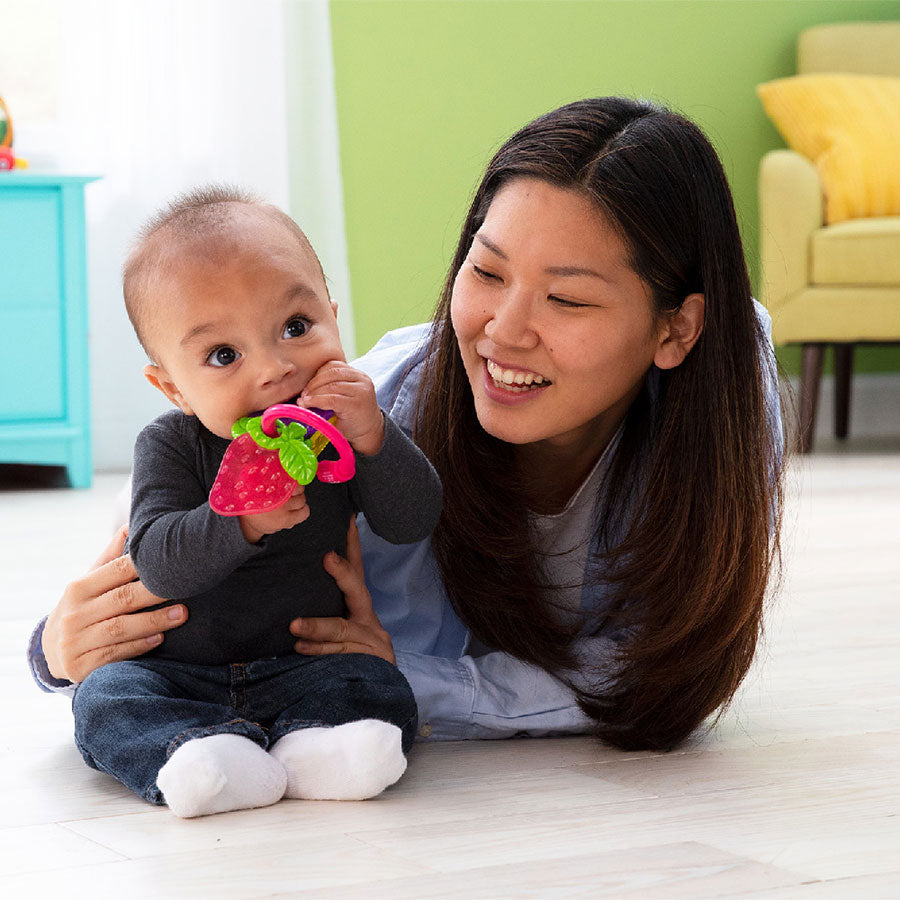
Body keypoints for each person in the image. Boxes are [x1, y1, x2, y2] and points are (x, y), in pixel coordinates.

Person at [31, 96, 784, 756]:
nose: (502, 331)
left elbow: (654, 671)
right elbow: (161, 566)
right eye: (486, 273)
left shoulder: (725, 396)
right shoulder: (378, 408)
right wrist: (54, 649)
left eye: (568, 300)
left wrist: (410, 680)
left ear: (677, 331)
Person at [59, 187, 442, 817]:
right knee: (105, 700)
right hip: (176, 673)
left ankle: (323, 747)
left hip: (303, 663)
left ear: (335, 318)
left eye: (296, 327)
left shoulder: (341, 430)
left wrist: (376, 438)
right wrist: (237, 518)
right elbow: (156, 560)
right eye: (223, 355)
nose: (273, 369)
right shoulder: (169, 445)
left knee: (377, 682)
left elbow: (412, 521)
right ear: (173, 387)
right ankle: (197, 756)